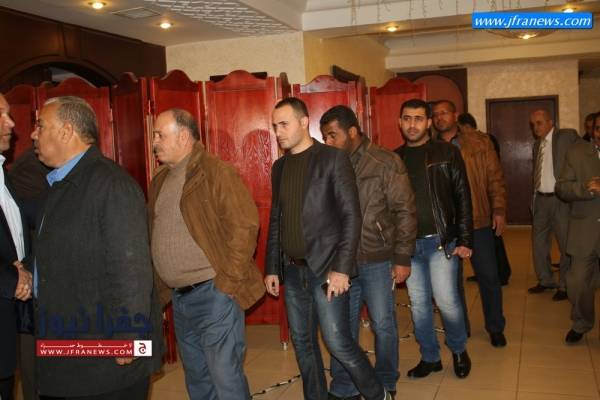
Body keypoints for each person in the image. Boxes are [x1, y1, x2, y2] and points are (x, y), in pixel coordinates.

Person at [30, 96, 162, 399]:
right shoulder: (60, 184)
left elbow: (130, 266)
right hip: (68, 346)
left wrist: (129, 335)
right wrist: (27, 270)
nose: (34, 134)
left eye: (41, 125)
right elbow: (63, 248)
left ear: (66, 131)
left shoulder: (110, 184)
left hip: (103, 359)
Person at [264, 97, 390, 400]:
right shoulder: (279, 167)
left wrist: (342, 269)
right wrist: (272, 267)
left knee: (337, 342)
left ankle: (379, 395)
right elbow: (277, 218)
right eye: (275, 126)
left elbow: (351, 216)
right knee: (303, 344)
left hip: (327, 269)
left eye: (284, 124)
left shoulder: (332, 159)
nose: (278, 132)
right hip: (293, 271)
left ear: (303, 122)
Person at [148, 108, 265, 399]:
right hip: (179, 299)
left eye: (160, 135)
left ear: (183, 136)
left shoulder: (215, 171)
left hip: (214, 294)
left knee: (225, 378)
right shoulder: (160, 179)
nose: (154, 142)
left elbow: (245, 226)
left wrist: (227, 283)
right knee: (198, 379)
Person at [321, 105, 416, 400]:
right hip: (342, 263)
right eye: (324, 137)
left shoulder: (385, 162)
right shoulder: (330, 164)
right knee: (342, 329)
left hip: (378, 259)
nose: (328, 142)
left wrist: (402, 257)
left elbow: (405, 211)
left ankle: (386, 380)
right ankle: (344, 385)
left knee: (383, 324)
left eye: (332, 135)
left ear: (352, 132)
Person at [395, 98, 472, 379]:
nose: (412, 124)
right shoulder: (395, 158)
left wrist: (465, 239)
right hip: (409, 246)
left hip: (441, 241)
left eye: (418, 118)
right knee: (419, 305)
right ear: (400, 122)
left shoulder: (447, 152)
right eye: (407, 118)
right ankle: (430, 357)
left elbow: (463, 196)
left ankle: (459, 350)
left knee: (447, 301)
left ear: (428, 123)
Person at [433, 101, 507, 348]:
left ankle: (495, 327)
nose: (439, 118)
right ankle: (460, 328)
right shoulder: (431, 147)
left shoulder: (479, 142)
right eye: (435, 115)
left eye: (444, 113)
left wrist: (499, 209)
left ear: (455, 115)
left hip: (477, 219)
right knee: (451, 283)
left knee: (489, 276)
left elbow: (495, 177)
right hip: (447, 225)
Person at [556, 112, 600, 344]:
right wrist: (586, 189)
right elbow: (562, 188)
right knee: (577, 283)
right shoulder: (576, 152)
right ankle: (582, 322)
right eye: (599, 128)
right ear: (593, 130)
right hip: (585, 230)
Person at [0, 92, 32, 400]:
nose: (11, 123)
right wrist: (13, 278)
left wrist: (26, 267)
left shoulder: (4, 174)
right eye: (0, 115)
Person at [528, 109, 579, 301]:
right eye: (533, 124)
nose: (535, 128)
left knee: (565, 244)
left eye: (539, 123)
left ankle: (565, 285)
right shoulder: (536, 145)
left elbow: (581, 148)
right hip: (541, 199)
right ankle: (546, 280)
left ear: (551, 122)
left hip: (560, 199)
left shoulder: (565, 137)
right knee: (539, 243)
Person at [457, 113, 512, 286]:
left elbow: (493, 174)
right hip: (483, 200)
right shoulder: (482, 140)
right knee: (494, 242)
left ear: (463, 126)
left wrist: (498, 206)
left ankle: (499, 273)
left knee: (492, 242)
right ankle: (498, 272)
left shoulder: (484, 141)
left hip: (484, 201)